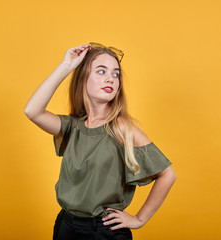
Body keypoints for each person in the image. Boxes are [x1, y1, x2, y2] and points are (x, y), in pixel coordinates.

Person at [24, 42, 177, 240]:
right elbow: (32, 111)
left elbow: (168, 174)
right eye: (101, 71)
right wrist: (67, 66)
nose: (111, 79)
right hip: (66, 226)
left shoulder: (122, 128)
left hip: (103, 231)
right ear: (83, 79)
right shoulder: (73, 126)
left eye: (115, 74)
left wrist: (139, 219)